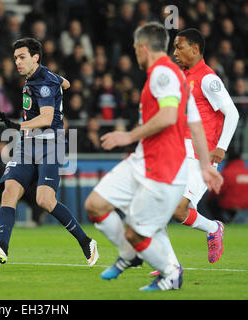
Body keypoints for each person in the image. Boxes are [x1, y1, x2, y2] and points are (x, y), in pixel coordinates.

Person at [84, 22, 223, 291]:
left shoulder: (163, 74)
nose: (134, 53)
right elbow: (194, 123)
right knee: (95, 205)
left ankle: (170, 273)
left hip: (162, 165)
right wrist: (206, 166)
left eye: (135, 48)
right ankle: (132, 254)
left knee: (137, 231)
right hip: (142, 158)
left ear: (143, 47)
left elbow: (170, 116)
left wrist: (128, 136)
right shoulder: (175, 76)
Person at [0, 38, 99, 267]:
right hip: (27, 143)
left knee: (45, 200)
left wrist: (17, 126)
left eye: (22, 57)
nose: (17, 63)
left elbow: (47, 118)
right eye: (15, 59)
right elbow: (67, 84)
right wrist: (59, 81)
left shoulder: (44, 83)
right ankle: (1, 247)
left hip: (50, 144)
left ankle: (86, 241)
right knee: (9, 190)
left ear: (35, 57)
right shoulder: (40, 76)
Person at [169, 28, 239, 264]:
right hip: (179, 152)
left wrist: (221, 147)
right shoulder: (183, 77)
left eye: (180, 47)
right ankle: (167, 266)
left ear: (195, 49)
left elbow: (233, 113)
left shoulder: (208, 79)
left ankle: (213, 228)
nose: (175, 52)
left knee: (178, 210)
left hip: (202, 155)